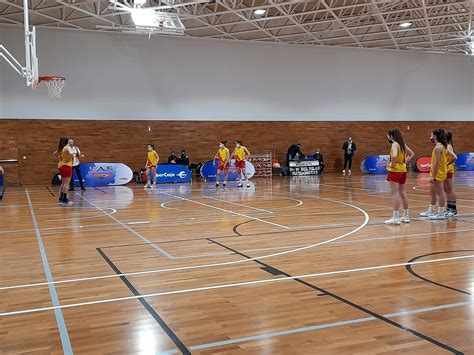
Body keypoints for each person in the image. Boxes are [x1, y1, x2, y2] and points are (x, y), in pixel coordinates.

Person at [420, 129, 457, 220]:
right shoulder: (441, 146)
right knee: (432, 192)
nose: (430, 137)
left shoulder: (439, 147)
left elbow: (436, 163)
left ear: (435, 136)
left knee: (441, 193)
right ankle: (431, 210)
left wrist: (433, 176)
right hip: (436, 172)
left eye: (431, 135)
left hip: (438, 173)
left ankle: (441, 212)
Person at [384, 128, 414, 225]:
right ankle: (406, 216)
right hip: (403, 171)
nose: (387, 137)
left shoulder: (395, 144)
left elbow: (394, 156)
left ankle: (396, 217)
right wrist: (404, 163)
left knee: (395, 194)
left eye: (388, 135)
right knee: (403, 192)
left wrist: (392, 163)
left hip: (395, 171)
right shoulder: (402, 144)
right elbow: (411, 154)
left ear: (391, 136)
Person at [54, 137, 74, 206]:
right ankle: (64, 199)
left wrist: (59, 157)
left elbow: (54, 153)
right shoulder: (67, 147)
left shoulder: (60, 148)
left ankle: (61, 198)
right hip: (66, 166)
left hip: (61, 166)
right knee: (66, 184)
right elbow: (71, 153)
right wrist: (69, 159)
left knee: (63, 183)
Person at [444, 131, 458, 216]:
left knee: (450, 189)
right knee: (446, 190)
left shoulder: (448, 146)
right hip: (445, 170)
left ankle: (453, 209)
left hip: (448, 170)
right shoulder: (446, 146)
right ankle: (449, 207)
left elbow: (454, 157)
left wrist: (447, 164)